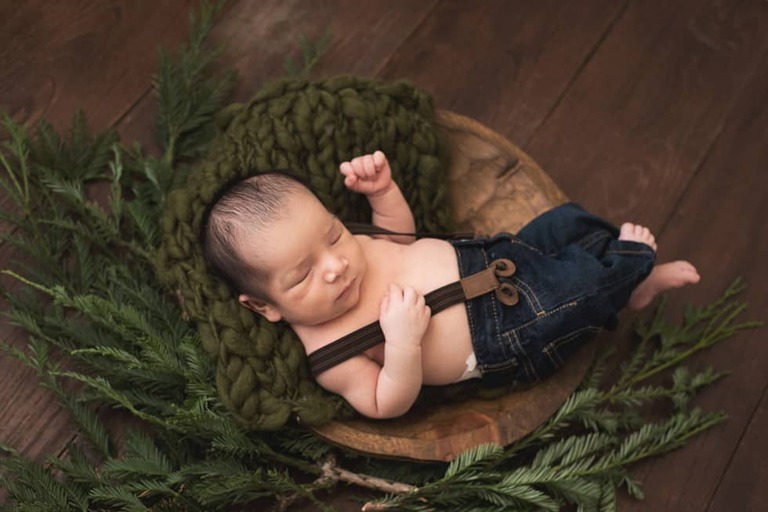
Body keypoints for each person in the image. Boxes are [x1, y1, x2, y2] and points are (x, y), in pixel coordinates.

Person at [202, 151, 700, 419]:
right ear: (264, 305)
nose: (334, 265)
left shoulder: (349, 243)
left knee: (563, 225)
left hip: (490, 257)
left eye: (333, 234)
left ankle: (628, 285)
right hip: (504, 331)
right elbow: (383, 403)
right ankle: (635, 271)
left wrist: (384, 193)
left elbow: (402, 236)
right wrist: (401, 345)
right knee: (578, 288)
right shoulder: (328, 353)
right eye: (303, 275)